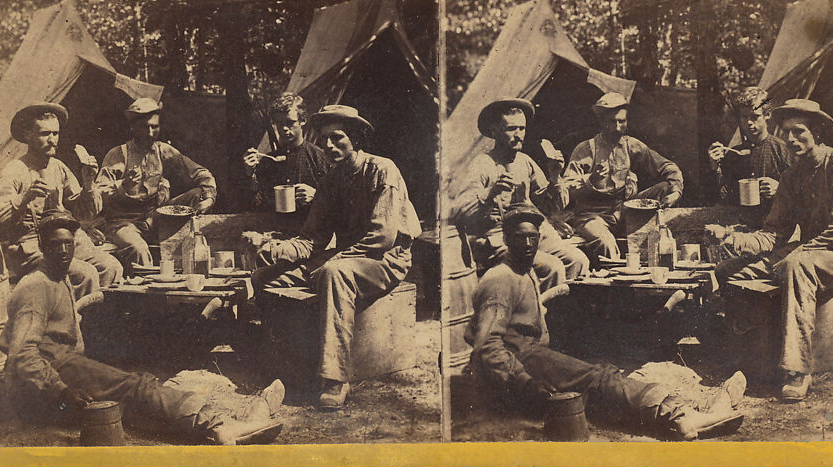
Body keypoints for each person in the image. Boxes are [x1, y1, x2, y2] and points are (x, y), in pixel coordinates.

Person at [0, 211, 283, 445]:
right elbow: (22, 355)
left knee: (133, 396)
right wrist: (61, 392)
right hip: (43, 384)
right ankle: (219, 421)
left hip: (57, 368)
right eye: (54, 244)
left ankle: (223, 425)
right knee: (134, 386)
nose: (63, 250)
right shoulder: (35, 287)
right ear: (42, 246)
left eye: (68, 243)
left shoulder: (59, 277)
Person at [466, 203, 746, 441]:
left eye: (533, 237)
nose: (527, 244)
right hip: (517, 365)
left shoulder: (522, 270)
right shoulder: (500, 280)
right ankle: (678, 416)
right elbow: (488, 346)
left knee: (601, 371)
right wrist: (525, 383)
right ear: (505, 238)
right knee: (595, 378)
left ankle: (700, 403)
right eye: (519, 237)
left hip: (527, 355)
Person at [710, 99, 833, 402]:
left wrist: (791, 256)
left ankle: (797, 370)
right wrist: (733, 239)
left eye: (799, 131)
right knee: (730, 269)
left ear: (817, 132)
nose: (790, 139)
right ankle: (741, 352)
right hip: (811, 250)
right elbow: (775, 232)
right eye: (786, 131)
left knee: (794, 266)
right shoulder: (792, 176)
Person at [252, 105, 420, 410]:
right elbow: (313, 238)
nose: (329, 145)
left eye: (337, 137)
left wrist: (330, 262)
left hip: (386, 259)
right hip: (348, 257)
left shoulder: (382, 170)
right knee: (267, 276)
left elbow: (383, 236)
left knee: (333, 273)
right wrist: (277, 251)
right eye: (325, 138)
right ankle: (267, 355)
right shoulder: (332, 180)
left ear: (355, 137)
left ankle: (334, 379)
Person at [450, 98, 588, 289]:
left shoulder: (525, 161)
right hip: (501, 241)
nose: (518, 135)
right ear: (494, 132)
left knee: (578, 260)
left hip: (534, 235)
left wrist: (555, 177)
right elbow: (459, 213)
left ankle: (558, 313)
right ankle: (534, 314)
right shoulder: (482, 164)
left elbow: (551, 208)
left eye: (522, 129)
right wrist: (490, 194)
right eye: (511, 129)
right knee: (552, 268)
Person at [0, 102, 122, 291]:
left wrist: (88, 184)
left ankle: (91, 317)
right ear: (28, 135)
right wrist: (23, 199)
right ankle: (70, 318)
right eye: (44, 134)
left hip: (63, 241)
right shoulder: (14, 170)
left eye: (55, 134)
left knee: (111, 267)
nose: (52, 140)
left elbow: (85, 215)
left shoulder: (58, 167)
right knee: (85, 274)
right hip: (31, 247)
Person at [94, 98, 217, 267]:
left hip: (154, 218)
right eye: (145, 127)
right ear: (133, 127)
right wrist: (123, 186)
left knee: (197, 195)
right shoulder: (118, 155)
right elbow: (97, 196)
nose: (151, 133)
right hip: (122, 224)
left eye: (155, 127)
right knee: (138, 248)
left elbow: (200, 172)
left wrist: (209, 196)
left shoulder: (162, 151)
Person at [564, 93, 684, 260]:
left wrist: (676, 191)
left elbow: (667, 167)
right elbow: (565, 189)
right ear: (601, 121)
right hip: (592, 217)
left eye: (622, 122)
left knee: (664, 188)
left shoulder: (630, 145)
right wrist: (590, 180)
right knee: (606, 242)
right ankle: (616, 280)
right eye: (612, 122)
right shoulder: (585, 149)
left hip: (622, 212)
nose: (618, 127)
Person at [241, 93, 331, 217]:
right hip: (273, 231)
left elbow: (338, 205)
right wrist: (249, 173)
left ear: (303, 120)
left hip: (309, 232)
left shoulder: (319, 158)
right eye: (279, 123)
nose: (284, 128)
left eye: (290, 122)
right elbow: (255, 203)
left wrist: (316, 196)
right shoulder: (268, 161)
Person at [707, 87, 796, 205]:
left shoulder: (782, 150)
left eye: (754, 116)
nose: (749, 122)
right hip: (740, 220)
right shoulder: (735, 153)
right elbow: (723, 194)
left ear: (767, 115)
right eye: (744, 116)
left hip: (773, 220)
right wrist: (715, 166)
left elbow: (800, 192)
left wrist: (779, 189)